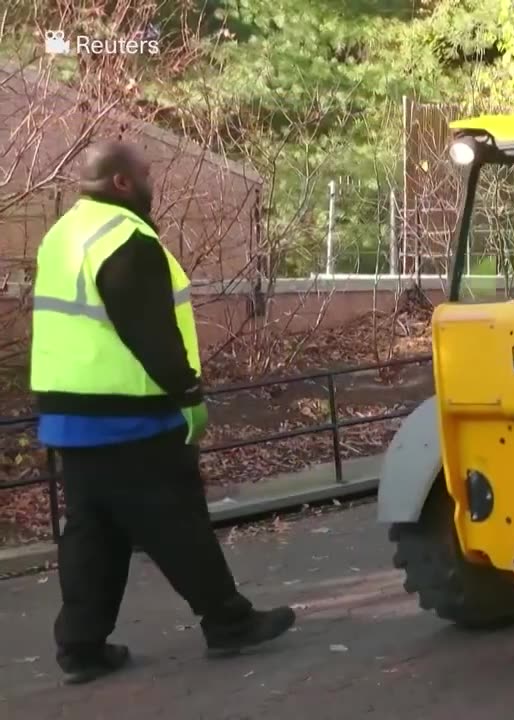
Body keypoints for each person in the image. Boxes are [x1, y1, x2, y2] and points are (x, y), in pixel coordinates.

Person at [29, 141, 296, 685]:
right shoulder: (126, 239)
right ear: (123, 183)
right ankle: (227, 621)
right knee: (176, 519)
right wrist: (189, 393)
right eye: (146, 175)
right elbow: (150, 331)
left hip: (69, 414)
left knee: (92, 532)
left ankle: (80, 646)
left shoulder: (63, 234)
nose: (154, 184)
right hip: (131, 412)